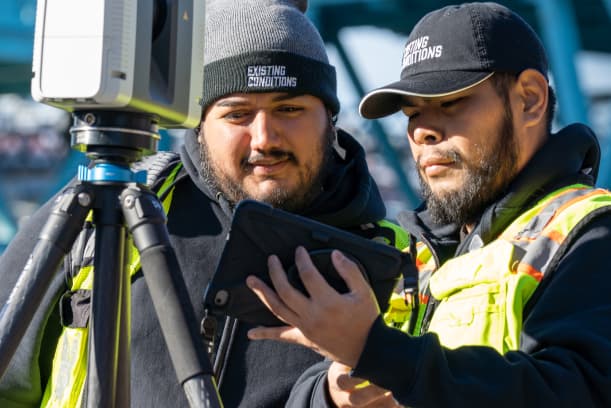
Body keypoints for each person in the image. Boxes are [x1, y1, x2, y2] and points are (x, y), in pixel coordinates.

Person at [0, 1, 408, 407]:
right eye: (237, 114)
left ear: (330, 120)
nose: (265, 138)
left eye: (289, 109)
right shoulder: (113, 207)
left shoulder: (392, 262)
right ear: (199, 126)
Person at [246, 2, 611, 407]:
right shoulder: (409, 254)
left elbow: (579, 392)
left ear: (529, 99)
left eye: (450, 102)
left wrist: (381, 354)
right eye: (412, 112)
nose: (422, 131)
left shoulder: (593, 233)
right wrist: (332, 395)